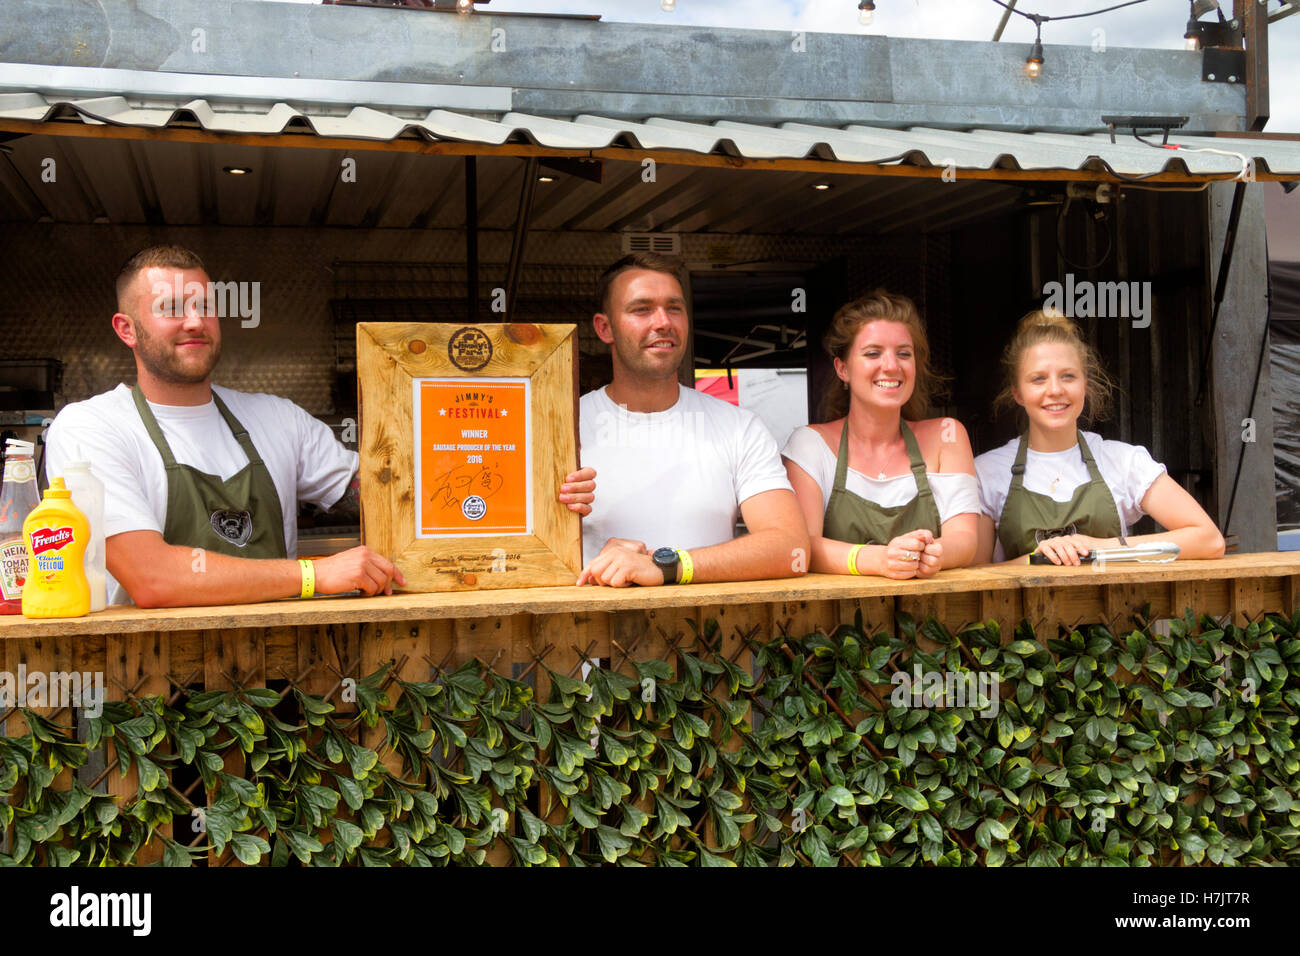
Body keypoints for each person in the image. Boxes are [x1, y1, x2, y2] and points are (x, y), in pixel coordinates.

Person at [44, 244, 406, 607]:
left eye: (205, 306)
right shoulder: (90, 428)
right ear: (127, 330)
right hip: (150, 658)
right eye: (170, 308)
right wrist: (312, 575)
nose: (195, 322)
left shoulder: (278, 419)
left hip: (283, 656)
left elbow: (387, 492)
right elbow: (152, 577)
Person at [566, 252, 808, 588]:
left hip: (710, 634)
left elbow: (791, 549)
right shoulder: (562, 430)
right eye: (642, 309)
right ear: (605, 328)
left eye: (674, 308)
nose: (663, 321)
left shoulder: (739, 427)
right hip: (588, 634)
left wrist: (667, 566)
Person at [973, 309, 1225, 565]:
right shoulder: (987, 472)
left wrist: (1102, 547)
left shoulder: (1123, 461)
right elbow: (974, 576)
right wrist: (1035, 560)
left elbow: (1209, 540)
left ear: (1085, 383)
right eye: (1038, 379)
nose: (1055, 390)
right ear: (1018, 393)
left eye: (1068, 376)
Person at [781, 290, 980, 579]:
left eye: (904, 353)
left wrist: (932, 554)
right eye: (873, 353)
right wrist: (878, 560)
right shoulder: (810, 444)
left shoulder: (947, 437)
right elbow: (803, 546)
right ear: (843, 368)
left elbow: (965, 539)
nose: (891, 365)